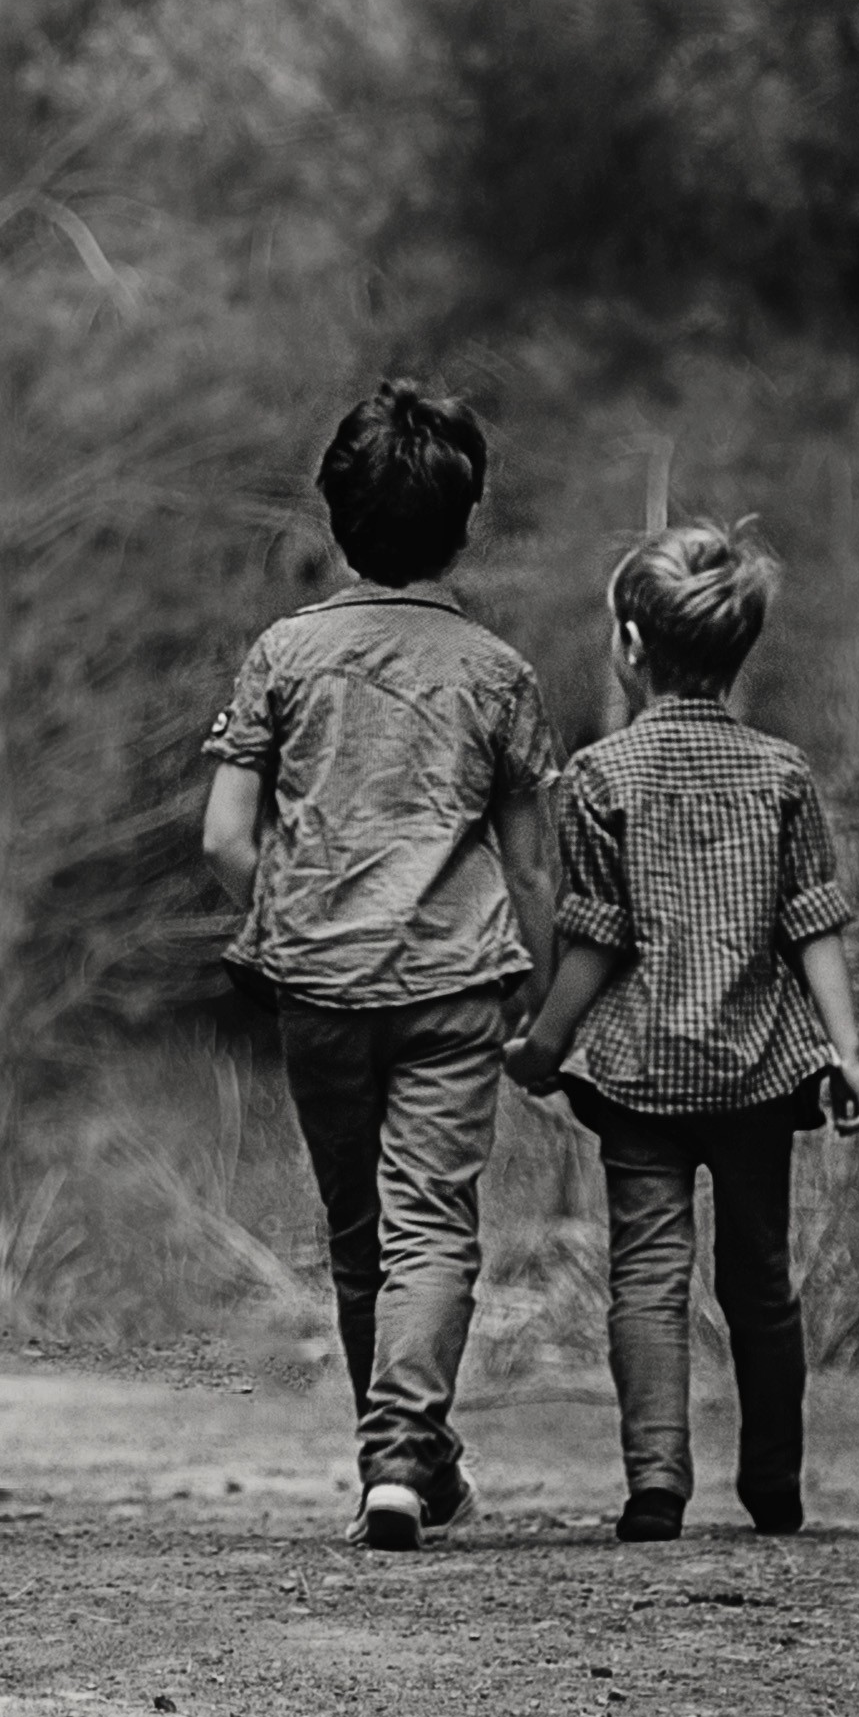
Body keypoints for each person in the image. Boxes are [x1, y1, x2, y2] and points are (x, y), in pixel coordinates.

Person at [198, 373, 550, 1550]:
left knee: (361, 1237)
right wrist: (541, 994)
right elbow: (530, 864)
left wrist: (290, 921)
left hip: (320, 991)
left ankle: (395, 1464)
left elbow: (223, 837)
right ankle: (407, 1456)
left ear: (334, 518)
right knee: (434, 1229)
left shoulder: (282, 655)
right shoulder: (497, 674)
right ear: (464, 523)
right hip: (455, 984)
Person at [497, 518, 859, 1542]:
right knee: (759, 1280)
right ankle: (774, 1483)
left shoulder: (603, 776)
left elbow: (594, 938)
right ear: (738, 646)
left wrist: (541, 1043)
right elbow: (813, 924)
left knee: (646, 1279)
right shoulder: (784, 773)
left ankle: (655, 1485)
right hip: (757, 1071)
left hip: (640, 1075)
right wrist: (843, 1046)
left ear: (629, 642)